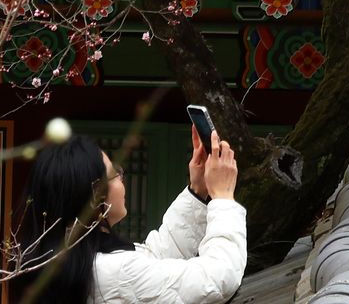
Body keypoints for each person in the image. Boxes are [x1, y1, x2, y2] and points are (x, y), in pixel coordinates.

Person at [14, 126, 245, 304]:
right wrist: (223, 198)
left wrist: (197, 191)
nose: (121, 179)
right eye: (115, 173)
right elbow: (217, 278)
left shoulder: (70, 262)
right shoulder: (116, 272)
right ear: (95, 196)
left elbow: (153, 260)